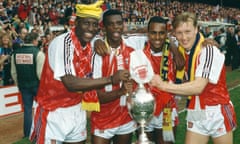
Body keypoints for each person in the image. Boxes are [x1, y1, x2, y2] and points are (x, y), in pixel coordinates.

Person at [29, 1, 130, 144]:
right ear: (76, 23)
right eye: (86, 23)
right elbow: (70, 83)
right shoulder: (62, 43)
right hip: (52, 112)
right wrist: (111, 79)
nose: (91, 28)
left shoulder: (92, 43)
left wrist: (97, 40)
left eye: (94, 24)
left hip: (77, 109)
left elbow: (97, 38)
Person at [150, 12, 237, 144]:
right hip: (196, 110)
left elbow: (198, 86)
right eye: (179, 32)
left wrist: (163, 85)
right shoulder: (183, 52)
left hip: (216, 111)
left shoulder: (208, 50)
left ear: (196, 29)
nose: (184, 37)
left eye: (188, 31)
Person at [91, 9, 137, 144]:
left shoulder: (132, 48)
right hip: (103, 116)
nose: (116, 27)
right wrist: (121, 92)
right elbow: (97, 96)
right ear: (104, 28)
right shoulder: (97, 54)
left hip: (125, 116)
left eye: (119, 23)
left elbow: (160, 36)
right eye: (111, 24)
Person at [11, 32, 45, 138]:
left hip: (23, 86)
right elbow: (40, 74)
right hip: (37, 86)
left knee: (27, 110)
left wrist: (19, 84)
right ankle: (41, 131)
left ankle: (27, 134)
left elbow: (13, 72)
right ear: (34, 41)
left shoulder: (15, 53)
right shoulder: (38, 53)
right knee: (42, 108)